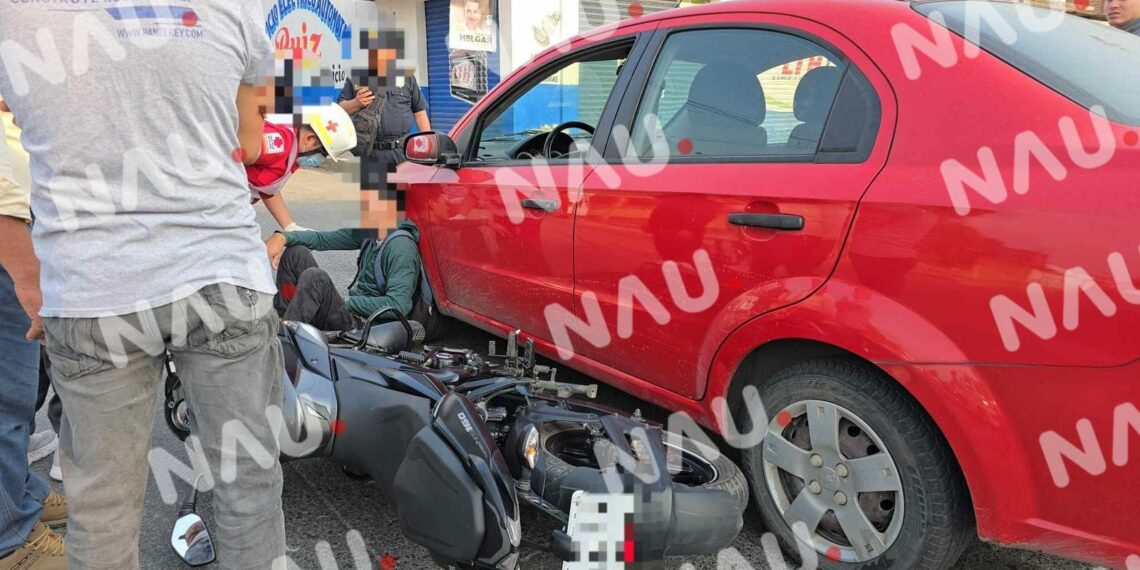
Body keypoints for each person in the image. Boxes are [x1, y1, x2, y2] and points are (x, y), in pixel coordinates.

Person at [0, 5, 287, 569]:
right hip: (221, 273)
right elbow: (250, 144)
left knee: (101, 508)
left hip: (92, 288)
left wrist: (26, 274)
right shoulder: (233, 8)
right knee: (246, 487)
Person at [0, 107, 67, 570]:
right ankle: (10, 540)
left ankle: (19, 495)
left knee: (18, 395)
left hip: (16, 236)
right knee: (5, 397)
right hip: (7, 243)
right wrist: (27, 276)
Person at [264, 191, 440, 337]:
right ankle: (283, 319)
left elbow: (398, 305)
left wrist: (346, 301)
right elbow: (322, 239)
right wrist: (285, 236)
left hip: (362, 325)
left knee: (316, 279)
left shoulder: (401, 247)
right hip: (347, 312)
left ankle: (284, 339)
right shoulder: (372, 231)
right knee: (296, 253)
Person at [248, 104, 357, 231]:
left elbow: (267, 186)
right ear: (310, 139)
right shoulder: (279, 143)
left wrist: (289, 226)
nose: (321, 160)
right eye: (323, 154)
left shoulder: (292, 150)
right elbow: (230, 153)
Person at [338, 33, 431, 174]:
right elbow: (340, 110)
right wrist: (356, 103)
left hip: (402, 153)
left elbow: (420, 113)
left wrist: (428, 147)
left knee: (405, 194)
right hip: (371, 153)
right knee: (376, 195)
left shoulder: (407, 78)